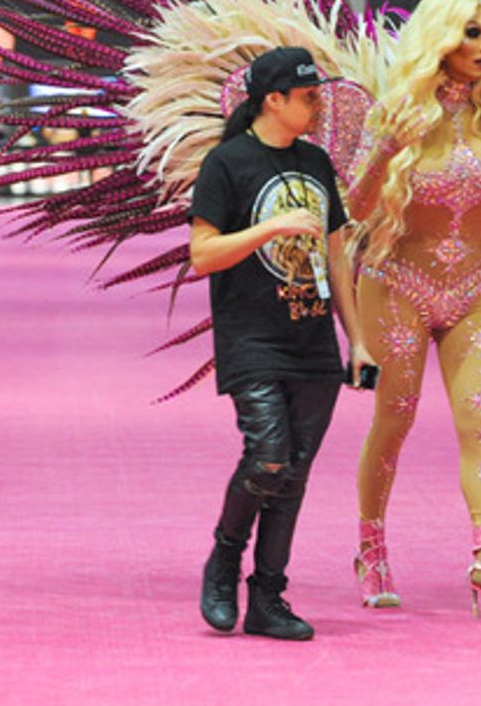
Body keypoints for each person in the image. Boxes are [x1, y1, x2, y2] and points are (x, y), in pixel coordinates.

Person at [345, 0, 481, 623]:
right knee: (396, 421)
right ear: (439, 37)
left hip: (476, 290)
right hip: (397, 286)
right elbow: (355, 209)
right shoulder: (395, 112)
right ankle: (372, 547)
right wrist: (387, 148)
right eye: (471, 32)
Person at [189, 47, 371, 642]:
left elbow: (338, 256)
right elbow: (201, 254)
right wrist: (269, 227)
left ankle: (268, 598)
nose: (320, 105)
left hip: (314, 342)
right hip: (253, 337)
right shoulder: (227, 163)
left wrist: (358, 339)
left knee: (292, 475)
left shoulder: (317, 164)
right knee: (267, 455)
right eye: (310, 96)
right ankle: (224, 557)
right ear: (274, 100)